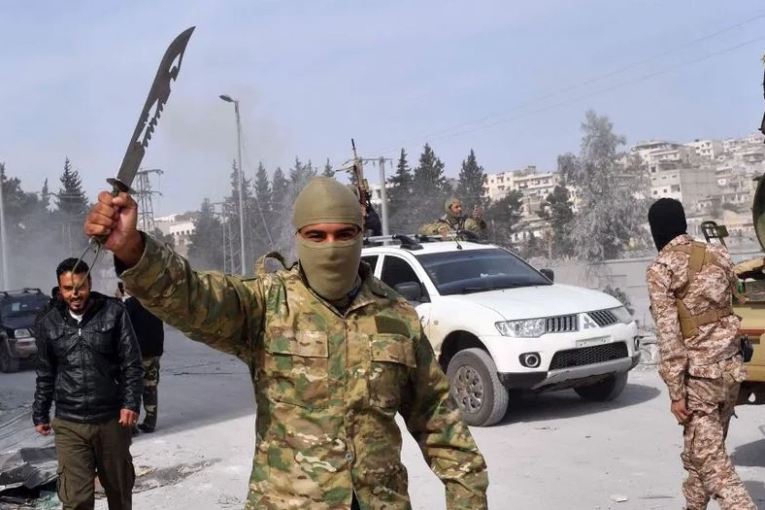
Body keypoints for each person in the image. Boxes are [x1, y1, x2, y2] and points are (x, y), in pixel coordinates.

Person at [84, 176, 489, 510]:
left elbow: (439, 421)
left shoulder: (396, 316)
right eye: (317, 235)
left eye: (344, 234)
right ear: (299, 237)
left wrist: (467, 499)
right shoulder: (266, 305)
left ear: (361, 234)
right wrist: (134, 249)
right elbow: (192, 296)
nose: (331, 247)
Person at [646, 198, 755, 510]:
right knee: (702, 454)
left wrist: (676, 392)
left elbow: (669, 336)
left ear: (656, 230)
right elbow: (737, 294)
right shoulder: (717, 253)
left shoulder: (661, 268)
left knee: (715, 467)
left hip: (700, 380)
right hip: (730, 370)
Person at [33, 258, 143, 510]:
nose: (75, 294)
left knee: (120, 495)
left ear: (89, 284)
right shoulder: (49, 322)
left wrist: (130, 403)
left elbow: (132, 363)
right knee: (75, 500)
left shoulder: (114, 312)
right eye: (68, 288)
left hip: (111, 421)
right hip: (70, 423)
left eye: (80, 286)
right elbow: (45, 372)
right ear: (60, 289)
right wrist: (40, 412)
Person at [124, 285, 164, 433]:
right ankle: (150, 422)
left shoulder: (129, 305)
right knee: (150, 387)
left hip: (137, 354)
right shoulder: (155, 303)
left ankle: (131, 426)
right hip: (154, 352)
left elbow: (125, 328)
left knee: (133, 388)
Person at [419, 197, 486, 239]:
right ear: (449, 209)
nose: (460, 209)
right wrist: (437, 229)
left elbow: (478, 232)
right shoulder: (441, 223)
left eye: (460, 206)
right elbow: (422, 229)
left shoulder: (466, 221)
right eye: (456, 207)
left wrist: (478, 221)